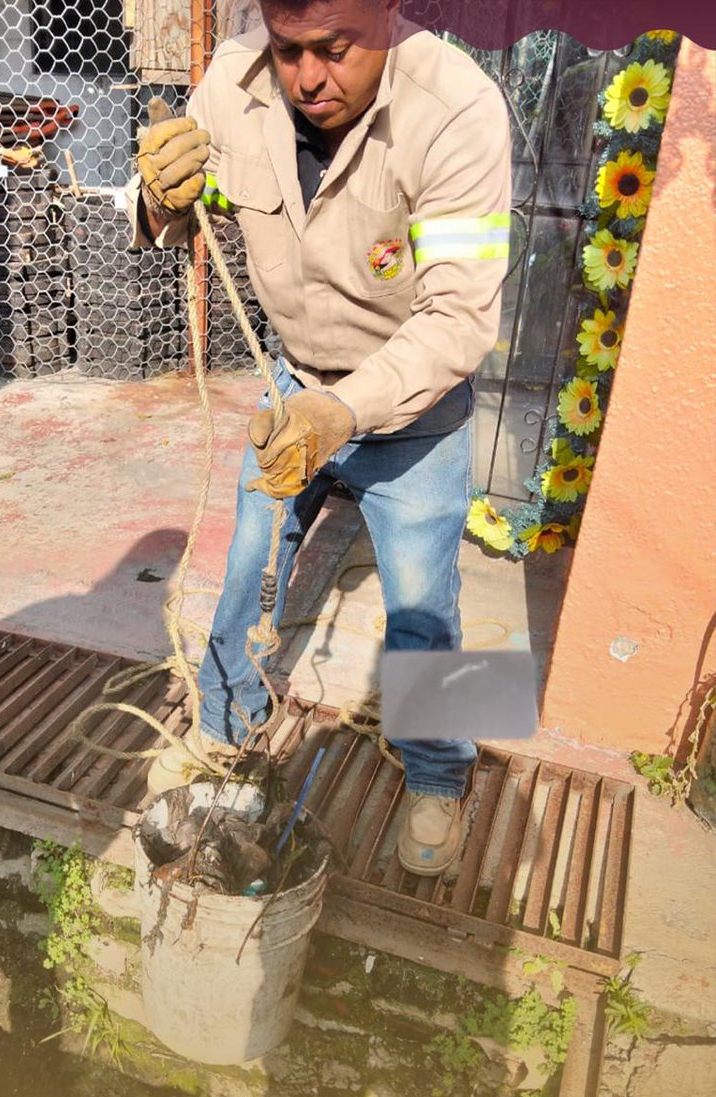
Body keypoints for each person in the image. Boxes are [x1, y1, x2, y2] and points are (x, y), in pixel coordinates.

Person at [126, 0, 512, 876]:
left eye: (334, 50)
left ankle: (440, 776)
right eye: (289, 48)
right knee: (248, 565)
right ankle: (221, 734)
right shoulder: (231, 79)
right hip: (291, 378)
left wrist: (345, 414)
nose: (306, 78)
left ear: (386, 13)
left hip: (417, 405)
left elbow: (459, 320)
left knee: (424, 601)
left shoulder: (459, 108)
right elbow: (180, 213)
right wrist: (157, 195)